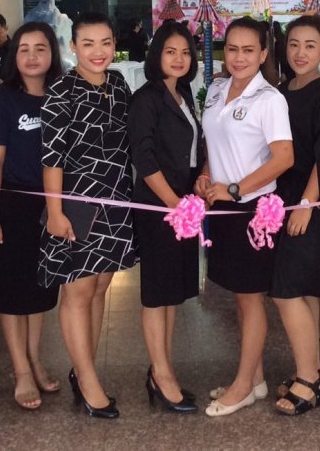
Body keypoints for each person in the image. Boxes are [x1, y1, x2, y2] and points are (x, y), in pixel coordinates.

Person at [40, 12, 137, 419]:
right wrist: (54, 212)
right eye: (88, 43)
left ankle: (85, 369)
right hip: (76, 204)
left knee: (99, 288)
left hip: (116, 201)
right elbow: (52, 159)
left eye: (105, 43)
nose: (98, 52)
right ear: (74, 46)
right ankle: (87, 380)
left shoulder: (118, 84)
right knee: (77, 292)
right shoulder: (61, 92)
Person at [197, 16, 294, 418]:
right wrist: (206, 174)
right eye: (232, 49)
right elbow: (213, 142)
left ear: (263, 53)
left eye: (248, 50)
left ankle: (242, 385)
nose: (239, 57)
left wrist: (236, 189)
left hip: (251, 210)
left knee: (251, 298)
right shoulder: (216, 89)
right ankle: (255, 379)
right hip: (222, 207)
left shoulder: (270, 99)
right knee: (239, 295)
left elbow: (284, 158)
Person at [0, 22, 63, 411]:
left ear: (52, 53)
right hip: (11, 204)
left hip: (49, 206)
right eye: (24, 48)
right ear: (14, 55)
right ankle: (21, 370)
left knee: (39, 291)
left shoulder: (60, 95)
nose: (32, 56)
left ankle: (35, 359)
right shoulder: (3, 100)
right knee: (12, 293)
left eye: (40, 48)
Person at [270, 16, 320, 416]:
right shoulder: (282, 92)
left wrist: (306, 203)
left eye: (310, 45)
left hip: (307, 203)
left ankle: (308, 378)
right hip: (281, 199)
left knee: (286, 292)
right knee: (304, 291)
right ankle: (313, 372)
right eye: (294, 44)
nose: (301, 53)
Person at [128, 21, 204, 414]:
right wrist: (174, 204)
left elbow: (193, 147)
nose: (178, 59)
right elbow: (143, 158)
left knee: (172, 292)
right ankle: (160, 374)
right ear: (156, 54)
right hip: (161, 206)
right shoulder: (147, 98)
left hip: (183, 204)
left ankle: (163, 368)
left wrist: (196, 187)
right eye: (170, 51)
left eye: (185, 52)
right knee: (158, 294)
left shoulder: (183, 92)